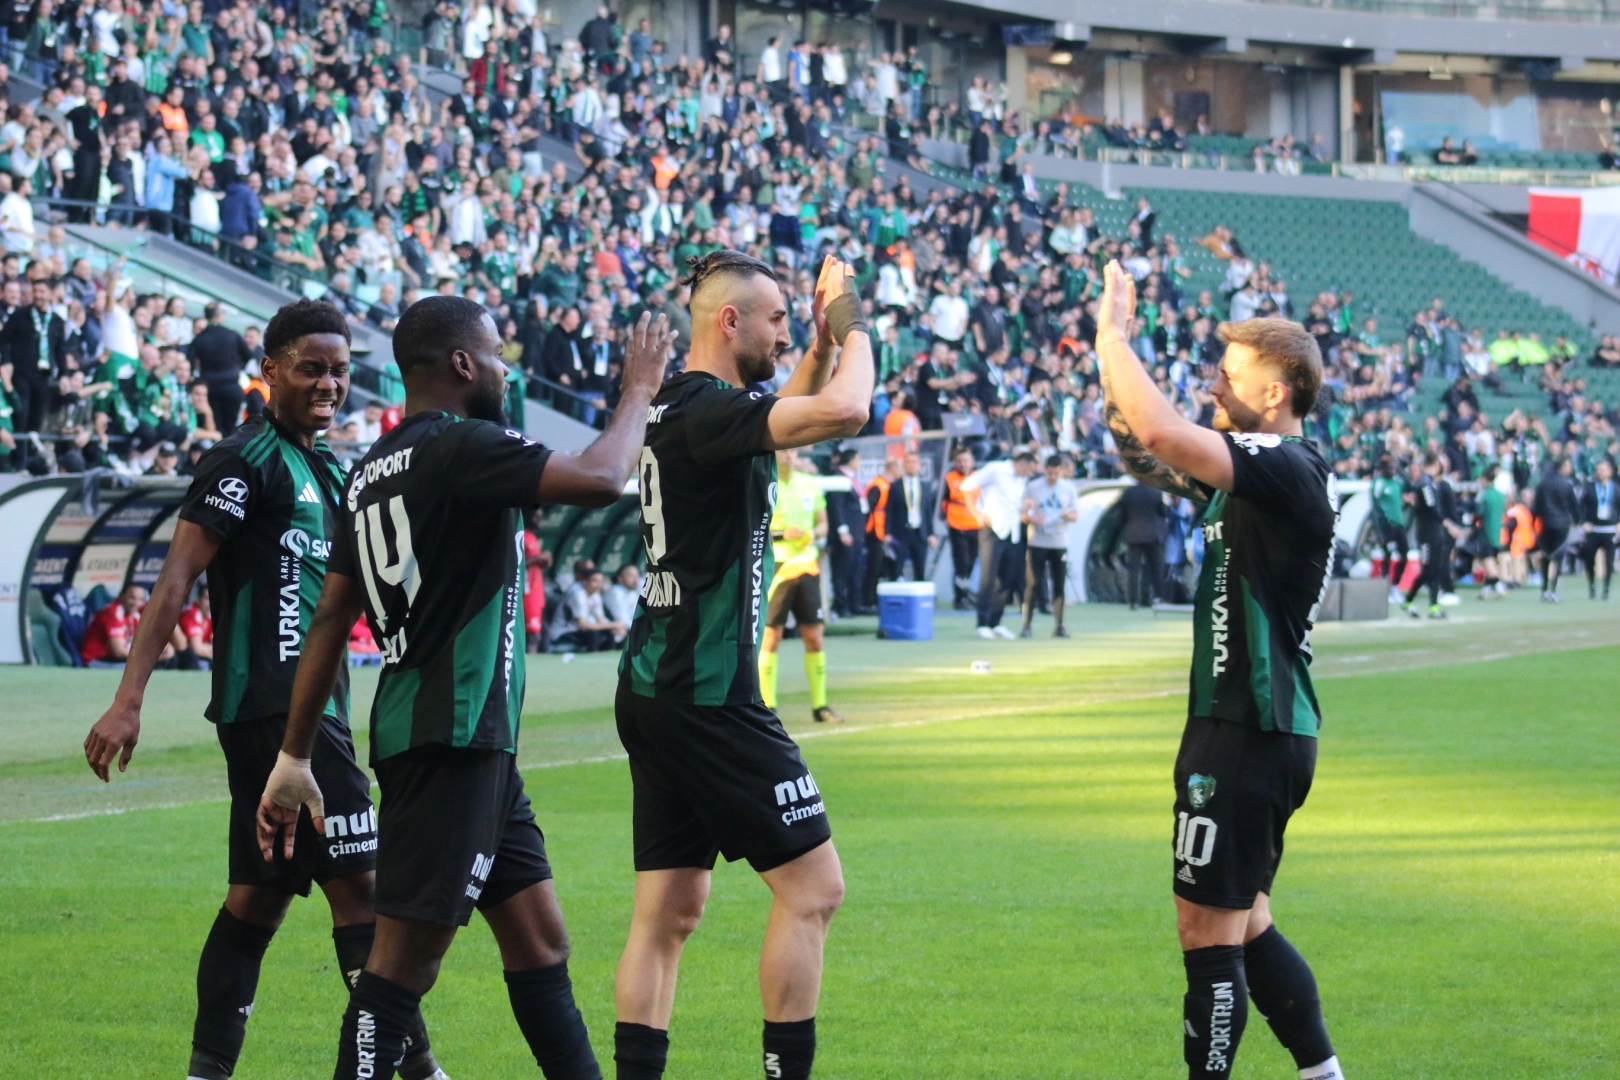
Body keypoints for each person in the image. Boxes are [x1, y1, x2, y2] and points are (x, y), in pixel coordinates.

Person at [256, 294, 674, 1080]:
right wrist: (640, 388)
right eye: (496, 356)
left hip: (457, 738)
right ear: (461, 363)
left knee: (539, 939)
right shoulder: (461, 445)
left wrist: (294, 755)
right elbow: (602, 475)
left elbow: (330, 620)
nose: (505, 371)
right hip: (452, 736)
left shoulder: (371, 470)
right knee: (399, 967)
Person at [82, 300, 449, 1080]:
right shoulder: (242, 459)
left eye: (339, 372)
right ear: (270, 371)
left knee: (258, 897)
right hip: (278, 714)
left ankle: (206, 1072)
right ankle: (417, 1069)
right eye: (311, 369)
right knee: (365, 893)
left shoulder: (331, 468)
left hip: (305, 710)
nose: (328, 385)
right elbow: (176, 578)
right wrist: (128, 700)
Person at [613, 250, 871, 1080]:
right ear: (730, 322)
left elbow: (784, 404)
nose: (787, 332)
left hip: (656, 683)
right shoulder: (710, 411)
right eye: (777, 320)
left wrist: (818, 347)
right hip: (709, 692)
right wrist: (852, 324)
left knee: (668, 912)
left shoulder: (681, 406)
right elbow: (846, 410)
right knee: (814, 890)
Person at [1096, 261, 1345, 1080]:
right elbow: (1145, 450)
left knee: (1204, 934)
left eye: (1229, 375)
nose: (1213, 383)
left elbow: (1167, 435)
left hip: (1249, 728)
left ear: (1274, 394)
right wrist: (1110, 364)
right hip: (1245, 728)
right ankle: (1323, 1073)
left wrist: (1115, 334)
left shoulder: (1286, 464)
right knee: (1247, 923)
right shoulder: (1252, 477)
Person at [759, 447, 842, 725]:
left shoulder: (810, 484)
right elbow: (755, 525)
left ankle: (821, 706)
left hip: (807, 565)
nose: (789, 455)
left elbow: (823, 524)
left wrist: (813, 534)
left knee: (814, 637)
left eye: (793, 451)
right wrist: (783, 533)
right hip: (777, 566)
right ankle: (769, 707)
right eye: (784, 450)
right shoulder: (764, 482)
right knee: (771, 637)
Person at [961, 451, 1037, 640]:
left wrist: (1025, 507)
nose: (1030, 474)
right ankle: (982, 623)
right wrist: (977, 514)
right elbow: (966, 486)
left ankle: (996, 622)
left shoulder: (1021, 480)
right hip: (992, 529)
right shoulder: (996, 469)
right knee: (988, 576)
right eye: (1030, 469)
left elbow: (1012, 505)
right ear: (1022, 463)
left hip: (1012, 530)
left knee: (1006, 578)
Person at [1020, 453, 1078, 635]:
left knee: (1059, 585)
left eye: (1056, 473)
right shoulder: (1033, 487)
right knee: (1033, 584)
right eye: (1049, 473)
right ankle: (1027, 625)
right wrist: (1031, 518)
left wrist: (1067, 516)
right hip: (1037, 541)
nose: (1052, 476)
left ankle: (1059, 625)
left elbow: (1075, 515)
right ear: (1045, 470)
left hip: (1059, 542)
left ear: (1061, 472)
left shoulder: (1068, 489)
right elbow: (1022, 515)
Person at [1402, 455, 1459, 620]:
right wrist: (1447, 524)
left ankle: (1432, 605)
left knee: (1434, 569)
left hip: (1434, 532)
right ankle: (1411, 600)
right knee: (1429, 570)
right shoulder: (1425, 484)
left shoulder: (1426, 483)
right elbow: (1432, 508)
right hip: (1427, 533)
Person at [824, 448, 867, 616]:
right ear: (851, 460)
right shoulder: (837, 478)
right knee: (841, 571)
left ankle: (854, 603)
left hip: (857, 532)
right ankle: (840, 605)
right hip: (844, 534)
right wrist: (842, 530)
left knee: (855, 570)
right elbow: (836, 507)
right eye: (858, 459)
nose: (859, 463)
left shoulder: (852, 479)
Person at [1116, 481, 1168, 611]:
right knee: (1155, 568)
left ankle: (1133, 600)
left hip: (1134, 535)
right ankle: (1157, 597)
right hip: (1154, 535)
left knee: (1133, 569)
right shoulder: (1156, 492)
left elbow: (1122, 514)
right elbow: (1164, 512)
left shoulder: (1128, 492)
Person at [940, 447, 981, 610]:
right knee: (961, 562)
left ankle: (967, 591)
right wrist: (944, 518)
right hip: (957, 526)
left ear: (972, 462)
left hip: (975, 525)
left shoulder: (978, 478)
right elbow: (942, 501)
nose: (963, 464)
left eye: (965, 460)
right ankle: (960, 596)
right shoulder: (949, 478)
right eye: (959, 461)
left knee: (971, 561)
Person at [1535, 458, 1578, 602]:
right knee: (1558, 557)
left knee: (1546, 556)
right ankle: (1553, 590)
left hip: (1545, 523)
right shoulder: (1566, 484)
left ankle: (1544, 589)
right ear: (1563, 466)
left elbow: (1537, 505)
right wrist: (1577, 521)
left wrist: (1535, 522)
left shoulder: (1543, 483)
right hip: (1562, 524)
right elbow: (1573, 505)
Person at [1369, 455, 1410, 603]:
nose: (1393, 469)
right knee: (1388, 556)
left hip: (1399, 524)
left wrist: (1402, 469)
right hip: (1386, 525)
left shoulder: (1398, 482)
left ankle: (1395, 586)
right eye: (1390, 466)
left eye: (1394, 466)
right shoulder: (1378, 483)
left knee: (1404, 554)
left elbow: (1409, 486)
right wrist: (1379, 530)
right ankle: (1385, 587)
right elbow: (1375, 507)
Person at [1578, 459, 1618, 600]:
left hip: (1610, 530)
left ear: (1610, 472)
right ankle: (1592, 585)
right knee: (1589, 559)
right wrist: (1583, 522)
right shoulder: (1589, 488)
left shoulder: (1616, 488)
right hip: (1593, 529)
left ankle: (1606, 588)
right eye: (1598, 470)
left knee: (1609, 561)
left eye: (1603, 470)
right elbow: (1581, 507)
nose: (1600, 472)